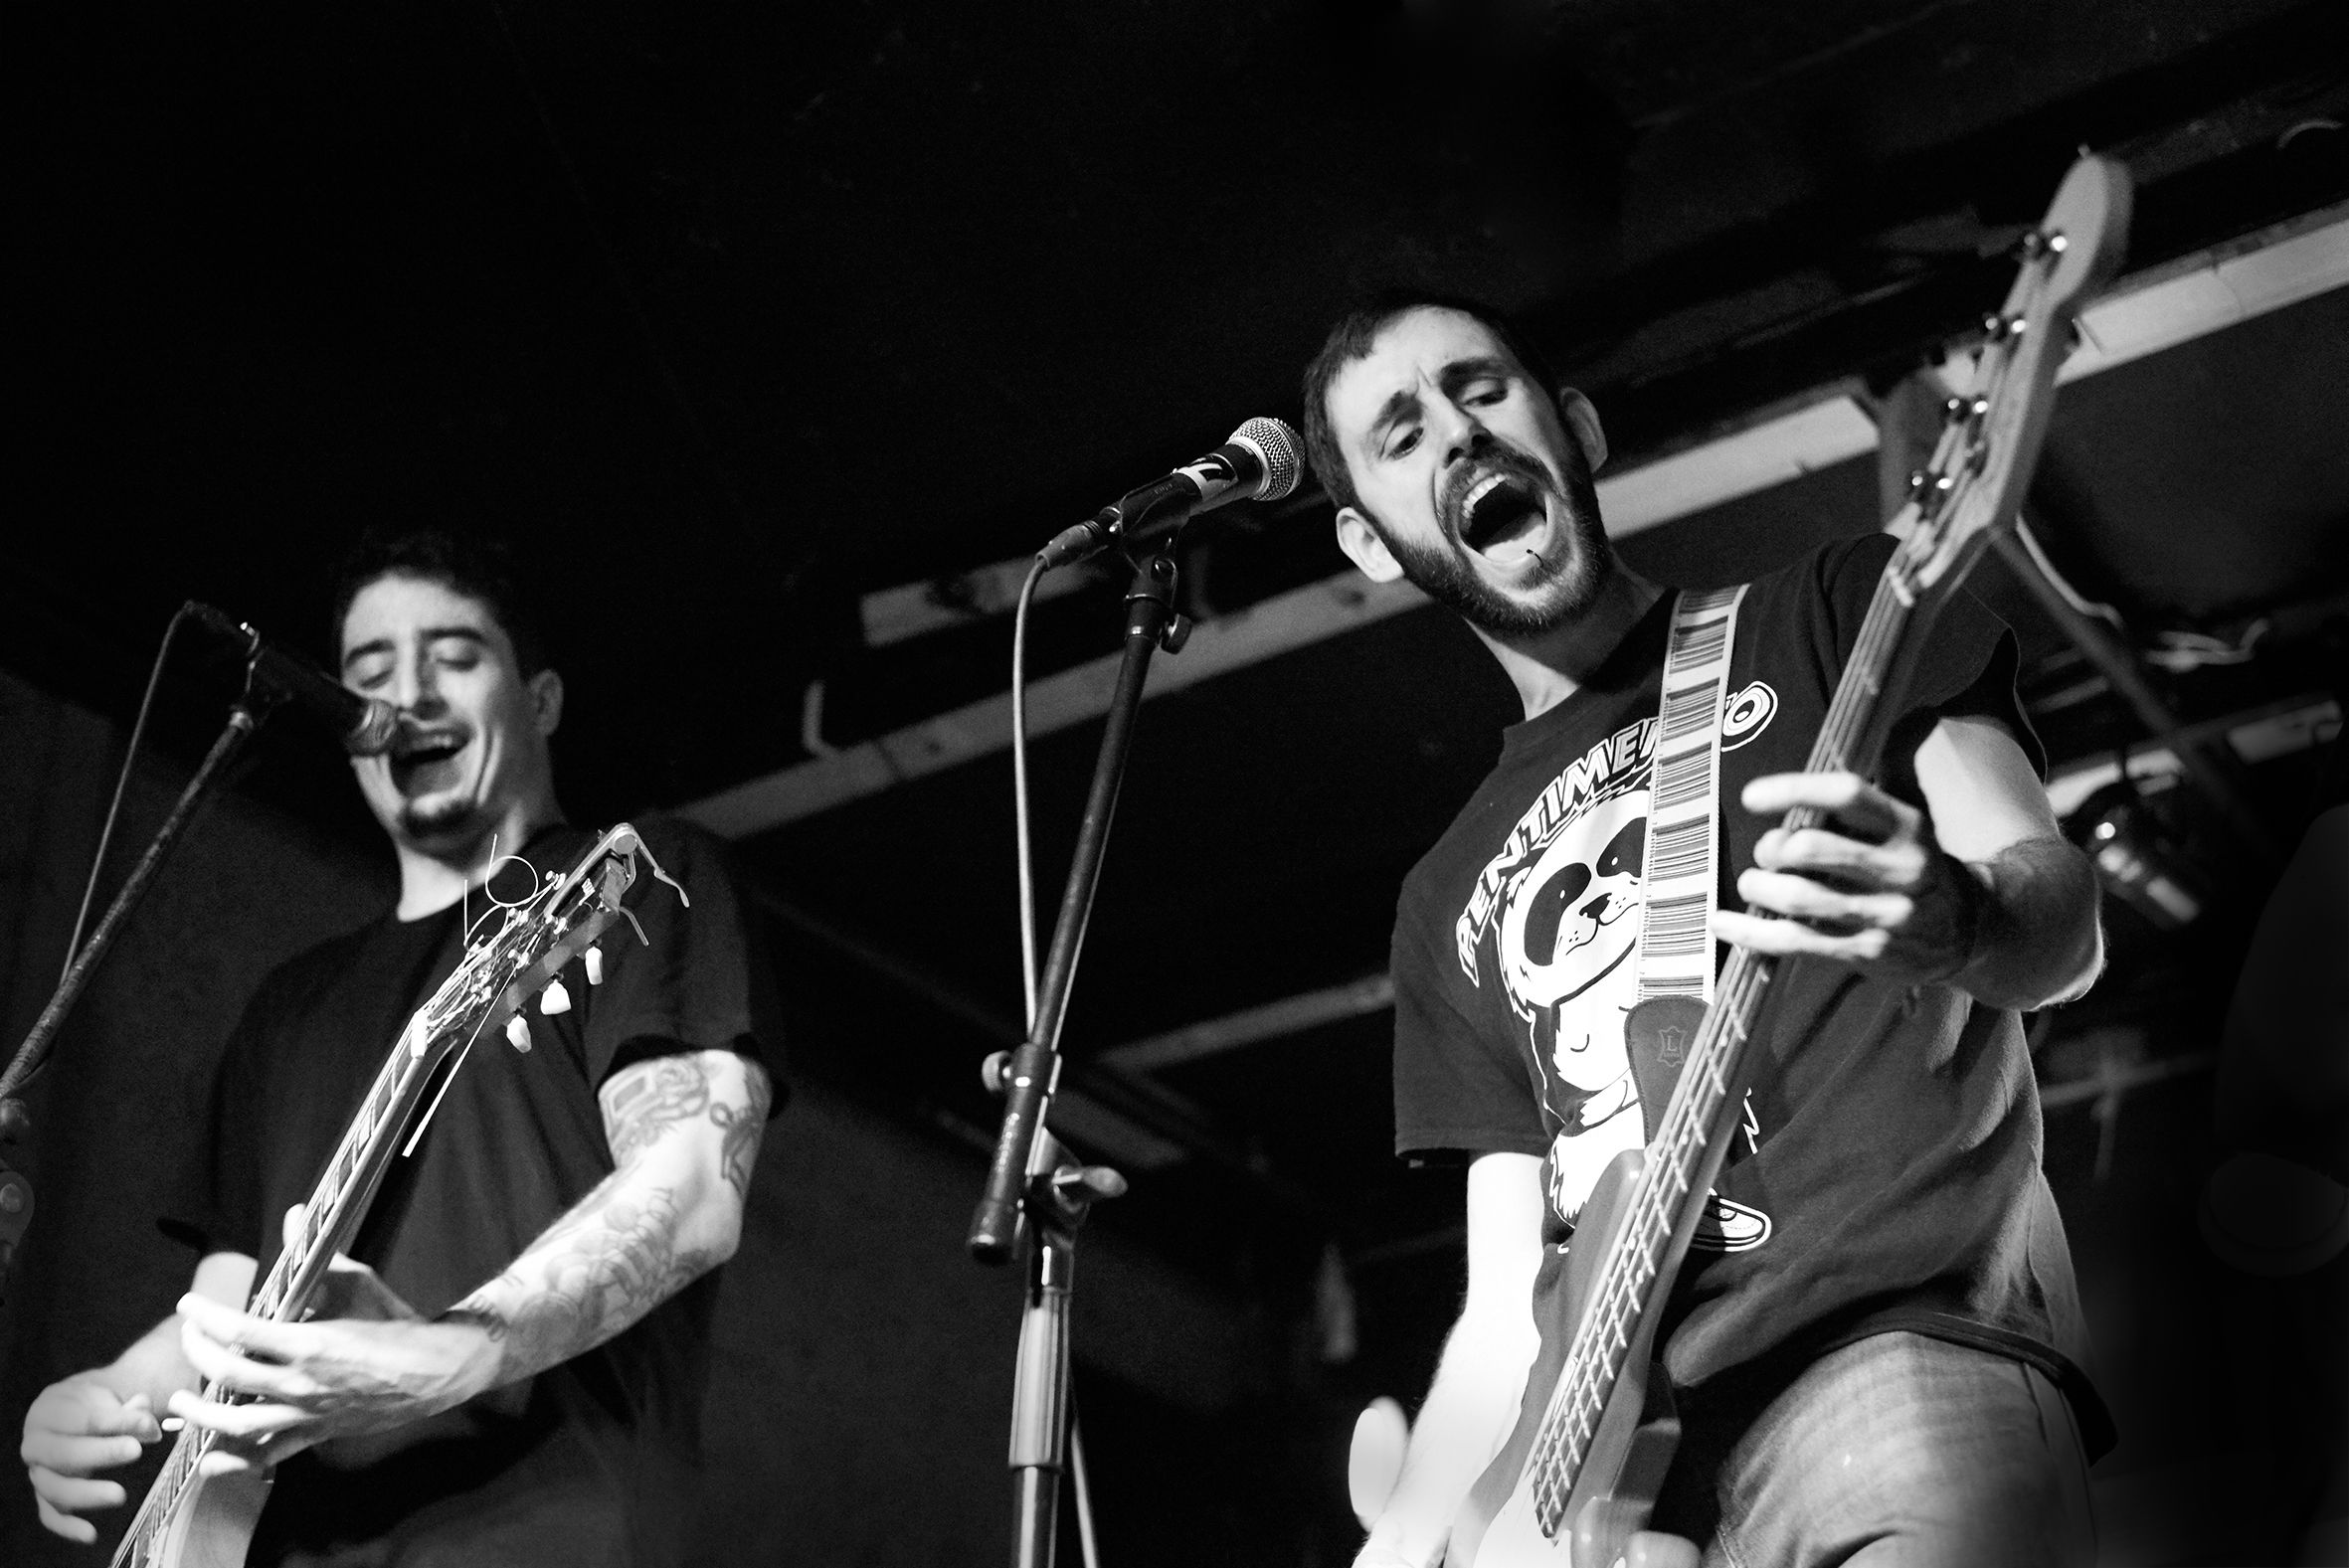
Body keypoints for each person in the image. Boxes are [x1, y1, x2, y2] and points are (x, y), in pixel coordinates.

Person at [1304, 295, 2109, 1567]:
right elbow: (1502, 1309)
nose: (1457, 433)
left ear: (1575, 427)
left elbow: (2061, 926)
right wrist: (1409, 1538)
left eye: (1481, 388)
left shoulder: (1840, 609)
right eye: (1401, 435)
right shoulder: (1440, 891)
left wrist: (1955, 916)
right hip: (1626, 1491)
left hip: (1885, 1359)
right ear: (1367, 539)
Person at [19, 531, 784, 1566]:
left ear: (541, 699)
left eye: (454, 656)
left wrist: (448, 1352)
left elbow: (691, 1189)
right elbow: (229, 1303)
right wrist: (113, 1393)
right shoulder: (291, 1008)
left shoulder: (635, 880)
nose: (409, 695)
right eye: (371, 674)